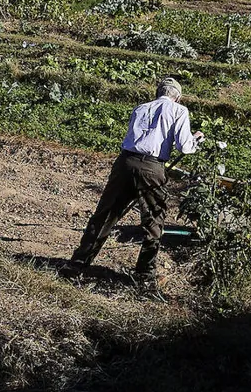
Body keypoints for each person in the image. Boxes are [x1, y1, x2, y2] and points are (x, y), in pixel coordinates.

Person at [68, 77, 203, 288]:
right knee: (153, 222)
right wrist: (195, 139)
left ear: (159, 93)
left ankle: (76, 265)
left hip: (125, 163)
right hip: (152, 167)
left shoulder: (141, 108)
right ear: (177, 97)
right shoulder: (179, 111)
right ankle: (144, 275)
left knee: (105, 215)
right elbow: (184, 147)